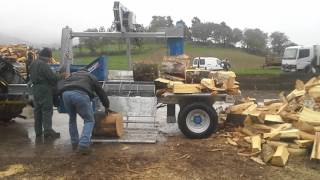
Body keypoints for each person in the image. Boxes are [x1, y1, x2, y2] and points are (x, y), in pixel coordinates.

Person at [59, 69, 110, 154]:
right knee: (89, 120)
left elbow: (60, 85)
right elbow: (100, 92)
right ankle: (83, 144)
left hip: (65, 94)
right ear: (87, 72)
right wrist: (106, 105)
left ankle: (75, 143)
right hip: (80, 94)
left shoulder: (72, 75)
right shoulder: (90, 76)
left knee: (72, 119)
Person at [29, 48, 63, 139]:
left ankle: (38, 132)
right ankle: (48, 132)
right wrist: (62, 76)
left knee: (38, 111)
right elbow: (52, 78)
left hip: (36, 89)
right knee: (47, 111)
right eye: (49, 58)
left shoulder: (33, 63)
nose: (49, 60)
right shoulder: (43, 65)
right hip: (45, 90)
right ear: (47, 56)